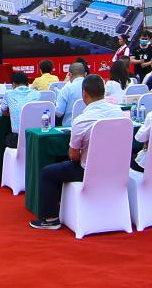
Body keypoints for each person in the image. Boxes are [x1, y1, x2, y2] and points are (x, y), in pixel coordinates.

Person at [29, 75, 124, 230]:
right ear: (103, 91)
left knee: (47, 173)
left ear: (84, 94)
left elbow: (73, 155)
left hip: (88, 171)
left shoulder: (81, 120)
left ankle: (51, 219)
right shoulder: (118, 112)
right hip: (116, 169)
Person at [0, 71, 40, 147]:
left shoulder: (8, 94)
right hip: (34, 137)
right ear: (28, 84)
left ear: (13, 84)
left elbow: (3, 111)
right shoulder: (37, 94)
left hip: (16, 138)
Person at [53, 62, 86, 127]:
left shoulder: (67, 88)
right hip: (89, 126)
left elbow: (59, 113)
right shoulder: (92, 86)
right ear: (85, 74)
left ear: (70, 74)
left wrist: (55, 104)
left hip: (70, 127)